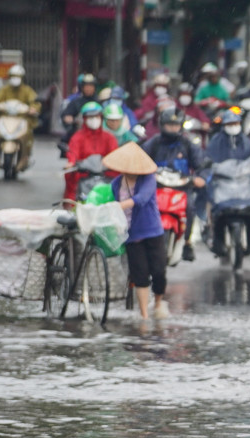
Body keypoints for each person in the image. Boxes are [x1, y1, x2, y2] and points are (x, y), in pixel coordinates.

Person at [103, 142, 170, 320]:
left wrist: (121, 205)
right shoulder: (116, 184)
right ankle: (144, 314)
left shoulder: (148, 179)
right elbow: (109, 200)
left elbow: (142, 198)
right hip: (131, 235)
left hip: (152, 232)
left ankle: (158, 303)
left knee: (159, 272)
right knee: (140, 274)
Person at [143, 107, 209, 261]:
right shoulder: (154, 143)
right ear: (162, 125)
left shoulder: (187, 144)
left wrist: (201, 177)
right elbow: (141, 159)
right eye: (169, 125)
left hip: (181, 188)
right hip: (156, 187)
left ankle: (187, 242)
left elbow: (201, 164)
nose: (173, 128)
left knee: (190, 207)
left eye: (176, 125)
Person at [205, 109, 250, 256]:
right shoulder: (216, 142)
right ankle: (212, 232)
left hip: (243, 185)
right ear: (224, 125)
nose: (233, 126)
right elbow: (208, 160)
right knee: (210, 201)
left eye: (235, 123)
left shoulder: (246, 142)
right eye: (230, 124)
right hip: (222, 185)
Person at [65, 101, 118, 201]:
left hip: (105, 176)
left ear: (101, 118)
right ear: (84, 119)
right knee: (70, 179)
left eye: (96, 117)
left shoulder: (109, 137)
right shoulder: (77, 137)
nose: (94, 120)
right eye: (90, 117)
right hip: (84, 175)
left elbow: (114, 155)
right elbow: (72, 153)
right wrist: (71, 163)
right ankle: (71, 205)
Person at [0, 64, 39, 172]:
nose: (15, 79)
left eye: (17, 76)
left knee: (28, 135)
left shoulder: (27, 90)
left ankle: (26, 155)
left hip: (22, 119)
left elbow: (34, 102)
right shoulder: (4, 90)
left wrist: (33, 109)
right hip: (6, 118)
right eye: (13, 76)